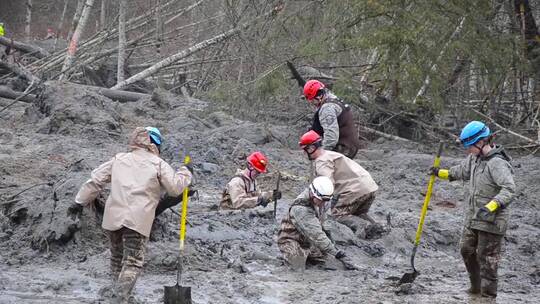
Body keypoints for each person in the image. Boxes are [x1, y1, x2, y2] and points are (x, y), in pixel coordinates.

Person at [70, 127, 192, 304]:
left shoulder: (119, 159)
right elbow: (174, 188)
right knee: (133, 262)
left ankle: (115, 293)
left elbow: (95, 180)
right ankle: (119, 299)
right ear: (156, 144)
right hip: (137, 220)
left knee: (117, 258)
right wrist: (186, 172)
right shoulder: (157, 163)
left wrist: (79, 202)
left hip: (113, 219)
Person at [430, 121, 515, 298]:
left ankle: (487, 297)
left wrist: (491, 206)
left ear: (482, 141)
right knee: (466, 249)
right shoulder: (474, 159)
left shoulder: (497, 163)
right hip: (474, 217)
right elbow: (461, 171)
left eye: (470, 146)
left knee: (487, 261)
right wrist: (440, 173)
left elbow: (509, 189)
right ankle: (475, 288)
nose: (468, 150)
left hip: (491, 221)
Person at [299, 130, 379, 232]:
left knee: (337, 217)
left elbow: (326, 186)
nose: (303, 153)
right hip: (370, 187)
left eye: (304, 149)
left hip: (354, 191)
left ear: (311, 148)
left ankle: (362, 226)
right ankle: (376, 229)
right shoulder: (330, 154)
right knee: (358, 214)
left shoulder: (321, 161)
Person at [278, 176, 359, 270]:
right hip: (292, 240)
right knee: (297, 268)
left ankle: (308, 255)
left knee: (330, 262)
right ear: (312, 194)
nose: (324, 203)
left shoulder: (322, 200)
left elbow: (325, 224)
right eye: (322, 200)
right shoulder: (300, 209)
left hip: (309, 241)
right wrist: (338, 254)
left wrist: (332, 245)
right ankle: (288, 257)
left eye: (326, 200)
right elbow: (316, 235)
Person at [303, 79, 362, 159]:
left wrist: (321, 154)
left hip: (343, 148)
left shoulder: (327, 109)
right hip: (350, 146)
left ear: (319, 96)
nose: (311, 103)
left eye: (312, 100)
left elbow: (331, 137)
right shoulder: (335, 101)